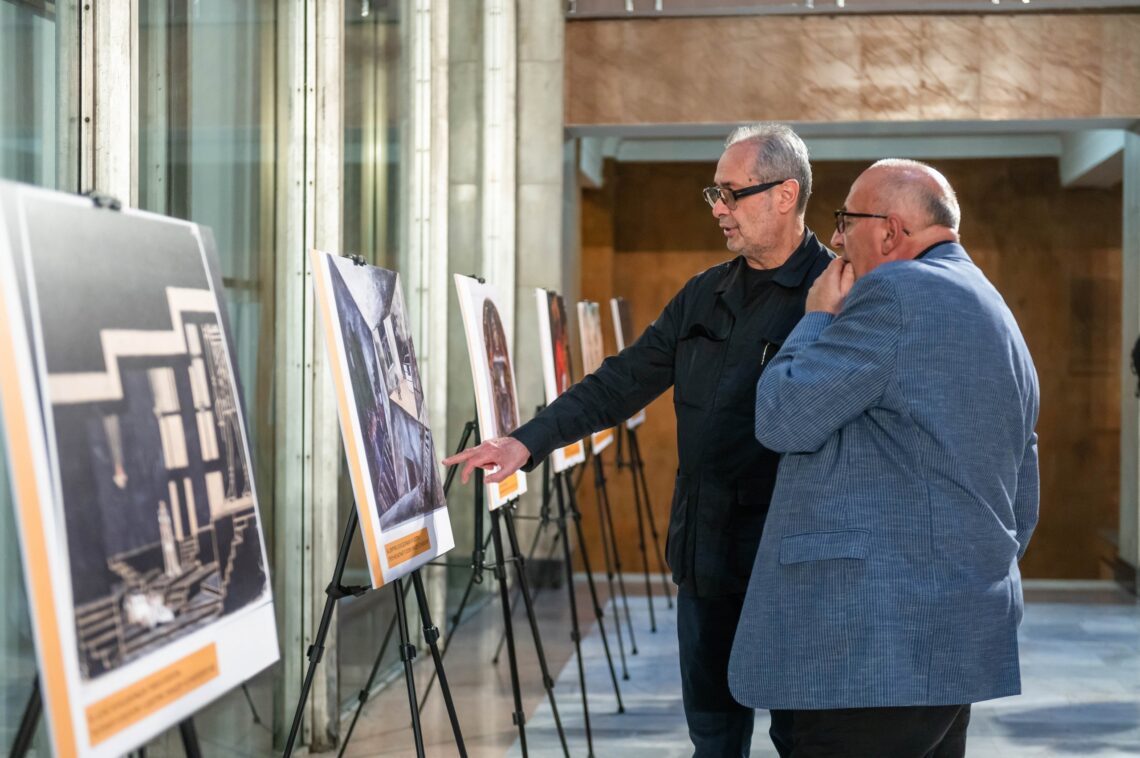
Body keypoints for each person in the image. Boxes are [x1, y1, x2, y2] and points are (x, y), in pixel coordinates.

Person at [444, 122, 832, 756]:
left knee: (804, 735)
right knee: (713, 732)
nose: (718, 209)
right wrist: (526, 441)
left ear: (785, 195)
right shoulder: (706, 293)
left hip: (790, 564)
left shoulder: (836, 294)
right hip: (706, 555)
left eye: (731, 193)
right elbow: (620, 381)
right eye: (714, 193)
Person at [728, 159, 1040, 757]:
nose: (836, 240)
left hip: (871, 649)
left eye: (845, 221)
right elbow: (1022, 488)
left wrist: (817, 315)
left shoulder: (893, 292)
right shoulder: (995, 308)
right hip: (953, 636)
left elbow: (782, 417)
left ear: (890, 231)